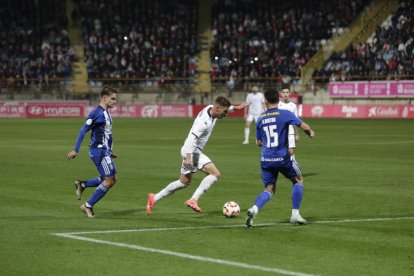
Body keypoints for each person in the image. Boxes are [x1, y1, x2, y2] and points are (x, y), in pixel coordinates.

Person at [146, 96, 247, 215]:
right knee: (215, 174)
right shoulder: (204, 122)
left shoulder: (211, 108)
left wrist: (236, 108)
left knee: (183, 182)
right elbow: (191, 138)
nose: (226, 114)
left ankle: (154, 198)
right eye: (225, 112)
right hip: (192, 151)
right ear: (218, 109)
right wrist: (188, 157)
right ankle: (193, 200)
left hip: (189, 150)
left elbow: (224, 108)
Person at [245, 89, 315, 228]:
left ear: (265, 102)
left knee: (269, 189)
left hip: (266, 159)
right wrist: (310, 133)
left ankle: (254, 209)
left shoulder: (261, 118)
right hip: (282, 157)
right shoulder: (285, 114)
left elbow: (259, 142)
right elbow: (303, 126)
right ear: (278, 99)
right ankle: (295, 215)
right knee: (298, 180)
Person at [66, 86, 118, 218]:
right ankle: (87, 205)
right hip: (98, 151)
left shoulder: (106, 113)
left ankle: (82, 184)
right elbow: (83, 130)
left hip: (104, 150)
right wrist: (75, 150)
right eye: (113, 98)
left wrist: (110, 151)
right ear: (104, 98)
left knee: (112, 178)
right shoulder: (96, 113)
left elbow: (107, 134)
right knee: (109, 180)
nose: (115, 101)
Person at [278, 88, 300, 162]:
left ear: (289, 94)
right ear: (281, 94)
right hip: (280, 133)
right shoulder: (277, 105)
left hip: (290, 132)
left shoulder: (293, 106)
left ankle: (294, 170)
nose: (285, 94)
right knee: (280, 152)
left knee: (291, 152)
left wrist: (297, 135)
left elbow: (296, 121)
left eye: (287, 92)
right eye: (283, 92)